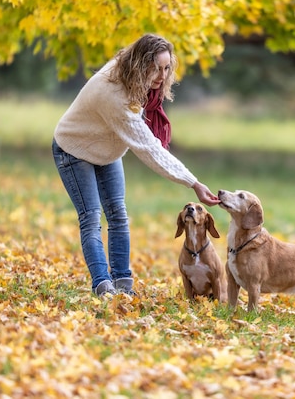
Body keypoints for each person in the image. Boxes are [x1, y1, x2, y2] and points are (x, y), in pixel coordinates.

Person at [52, 33, 220, 298]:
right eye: (155, 68)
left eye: (166, 68)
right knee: (91, 218)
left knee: (118, 214)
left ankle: (123, 285)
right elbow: (150, 149)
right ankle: (103, 286)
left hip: (106, 151)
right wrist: (193, 183)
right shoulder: (114, 95)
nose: (162, 76)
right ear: (139, 65)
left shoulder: (133, 76)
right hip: (74, 149)